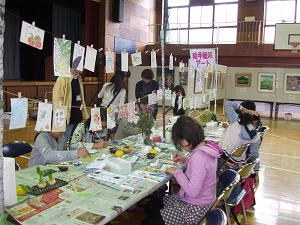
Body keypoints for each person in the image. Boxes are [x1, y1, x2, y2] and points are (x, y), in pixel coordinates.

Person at [141, 116, 223, 225]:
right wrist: (186, 160)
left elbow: (193, 192)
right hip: (203, 201)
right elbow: (204, 169)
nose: (180, 145)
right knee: (150, 206)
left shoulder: (198, 156)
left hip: (194, 208)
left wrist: (177, 172)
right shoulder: (207, 147)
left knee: (147, 223)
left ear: (186, 137)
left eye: (180, 142)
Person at [218, 100, 261, 173]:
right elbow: (254, 155)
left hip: (222, 161)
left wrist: (243, 109)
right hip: (236, 165)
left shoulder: (236, 120)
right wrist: (256, 171)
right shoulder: (256, 136)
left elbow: (228, 103)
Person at [52, 67, 89, 140]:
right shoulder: (63, 78)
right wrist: (62, 115)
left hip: (77, 114)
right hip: (68, 116)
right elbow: (57, 98)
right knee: (64, 139)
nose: (84, 69)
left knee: (75, 139)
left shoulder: (78, 77)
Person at [98, 70, 127, 139]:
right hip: (113, 113)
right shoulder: (122, 90)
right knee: (112, 132)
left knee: (101, 129)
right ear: (123, 78)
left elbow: (99, 96)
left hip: (102, 110)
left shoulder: (106, 85)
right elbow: (121, 105)